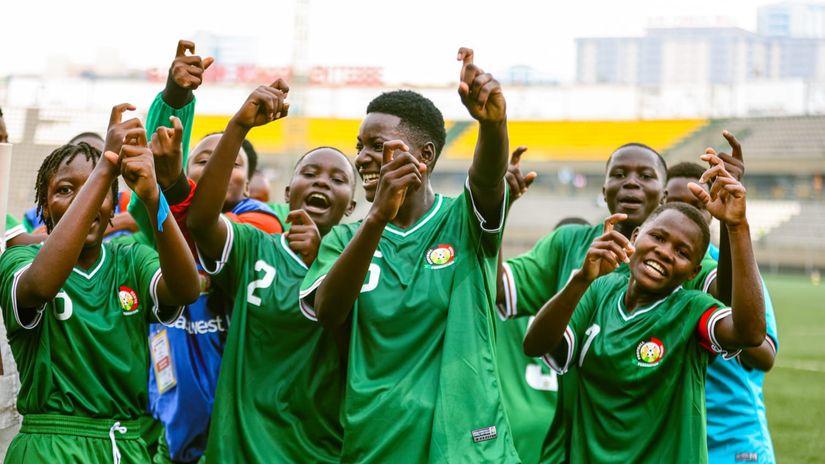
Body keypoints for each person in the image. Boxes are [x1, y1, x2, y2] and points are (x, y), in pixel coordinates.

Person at [300, 48, 520, 463]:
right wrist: (377, 217)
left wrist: (493, 125)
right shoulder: (345, 238)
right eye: (360, 146)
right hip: (377, 439)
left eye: (377, 146)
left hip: (466, 444)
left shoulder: (463, 222)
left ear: (425, 157)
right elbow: (328, 312)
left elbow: (488, 182)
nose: (362, 157)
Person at [523, 156, 766, 462]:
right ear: (636, 237)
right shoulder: (598, 289)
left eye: (682, 252)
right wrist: (580, 279)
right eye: (658, 237)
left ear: (693, 271)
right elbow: (536, 344)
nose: (664, 252)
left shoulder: (691, 310)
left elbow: (751, 332)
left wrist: (737, 226)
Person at [0, 105, 199, 462]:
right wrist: (106, 167)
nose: (83, 199)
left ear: (112, 204)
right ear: (44, 208)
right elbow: (41, 287)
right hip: (49, 448)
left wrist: (154, 198)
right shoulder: (20, 261)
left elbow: (186, 290)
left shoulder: (130, 258)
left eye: (98, 190)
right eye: (65, 190)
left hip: (125, 446)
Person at [185, 80, 357, 462]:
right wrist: (238, 127)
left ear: (351, 206)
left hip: (319, 453)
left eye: (338, 179)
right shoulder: (253, 247)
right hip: (238, 451)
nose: (321, 182)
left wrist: (319, 262)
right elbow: (200, 221)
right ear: (287, 192)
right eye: (310, 173)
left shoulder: (365, 264)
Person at [140, 41, 282, 463]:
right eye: (201, 159)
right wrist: (175, 97)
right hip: (167, 425)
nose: (215, 169)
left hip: (234, 428)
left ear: (252, 184)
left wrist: (176, 185)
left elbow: (203, 228)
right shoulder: (160, 217)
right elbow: (159, 153)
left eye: (231, 162)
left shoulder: (261, 224)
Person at [666, 161, 779, 464]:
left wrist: (720, 326)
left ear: (710, 208)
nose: (685, 214)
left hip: (733, 440)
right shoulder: (653, 272)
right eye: (674, 203)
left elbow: (764, 353)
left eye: (696, 204)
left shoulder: (735, 269)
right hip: (678, 440)